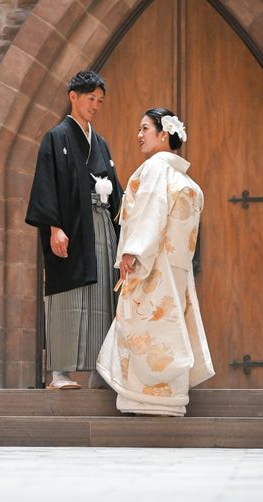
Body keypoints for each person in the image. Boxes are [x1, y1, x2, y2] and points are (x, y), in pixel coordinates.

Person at [96, 107, 214, 415]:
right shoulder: (184, 179)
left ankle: (143, 399)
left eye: (144, 128)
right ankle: (170, 400)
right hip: (175, 267)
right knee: (169, 329)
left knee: (144, 326)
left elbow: (151, 208)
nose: (139, 135)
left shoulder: (155, 168)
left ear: (163, 134)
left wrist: (132, 251)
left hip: (154, 264)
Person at [25, 70, 123, 389]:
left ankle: (100, 372)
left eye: (100, 101)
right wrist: (55, 227)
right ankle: (59, 374)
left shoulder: (101, 143)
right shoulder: (57, 137)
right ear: (73, 97)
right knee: (68, 295)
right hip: (70, 227)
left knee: (102, 294)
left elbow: (117, 193)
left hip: (101, 226)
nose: (95, 105)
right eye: (90, 98)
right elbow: (47, 184)